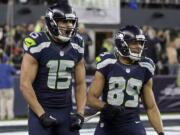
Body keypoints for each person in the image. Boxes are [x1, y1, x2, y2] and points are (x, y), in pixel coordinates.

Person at [20, 2, 86, 135]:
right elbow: (25, 84)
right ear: (51, 22)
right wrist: (41, 114)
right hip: (41, 110)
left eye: (71, 22)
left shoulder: (77, 44)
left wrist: (80, 113)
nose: (69, 26)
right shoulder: (38, 43)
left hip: (66, 111)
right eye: (63, 21)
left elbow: (81, 84)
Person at [87, 25, 165, 135]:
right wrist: (105, 107)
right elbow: (90, 99)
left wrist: (161, 133)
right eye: (134, 42)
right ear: (122, 43)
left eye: (140, 43)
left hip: (132, 123)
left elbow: (151, 107)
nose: (138, 46)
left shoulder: (145, 66)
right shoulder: (108, 63)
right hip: (107, 124)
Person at [0, 49, 16, 120]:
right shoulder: (8, 66)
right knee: (9, 101)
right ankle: (10, 116)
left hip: (0, 87)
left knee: (1, 101)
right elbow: (15, 72)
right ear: (6, 60)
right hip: (8, 87)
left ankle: (2, 116)